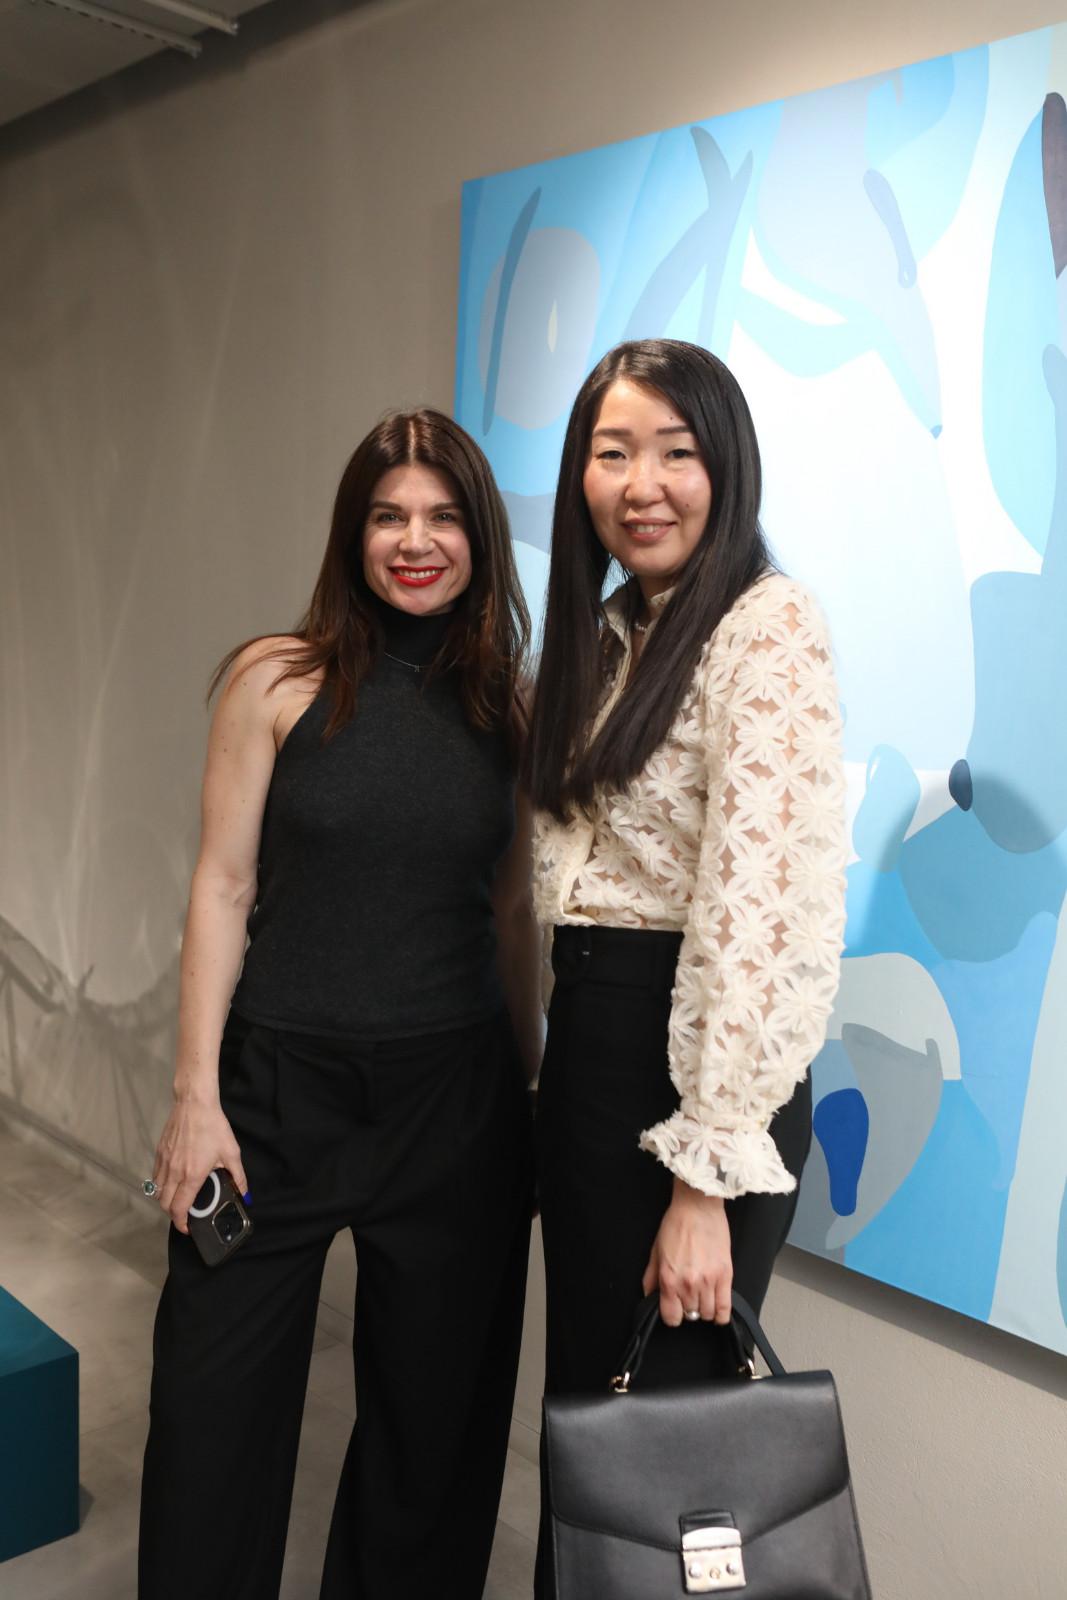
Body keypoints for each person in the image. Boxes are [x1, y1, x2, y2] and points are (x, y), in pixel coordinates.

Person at [138, 409, 540, 1600]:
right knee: (209, 1421)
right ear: (351, 534)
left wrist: (522, 1088)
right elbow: (221, 886)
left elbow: (511, 911)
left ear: (479, 538)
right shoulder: (274, 679)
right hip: (274, 1098)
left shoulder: (510, 708)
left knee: (433, 1439)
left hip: (454, 1105)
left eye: (442, 517)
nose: (414, 541)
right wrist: (195, 1097)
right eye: (387, 516)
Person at [525, 337, 848, 1415]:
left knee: (660, 1424)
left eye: (675, 452)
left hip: (693, 1071)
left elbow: (758, 911)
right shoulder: (612, 631)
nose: (641, 485)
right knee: (590, 1409)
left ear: (725, 466)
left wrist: (702, 1184)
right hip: (592, 1048)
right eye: (612, 453)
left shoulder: (766, 624)